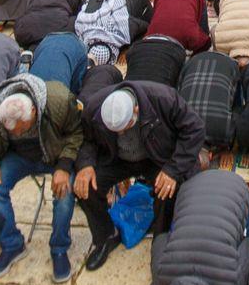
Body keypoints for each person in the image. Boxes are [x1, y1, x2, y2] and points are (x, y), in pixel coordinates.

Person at [0, 43, 87, 285]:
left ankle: (59, 248)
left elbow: (76, 133)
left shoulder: (58, 100)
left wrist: (64, 166)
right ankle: (11, 244)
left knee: (65, 193)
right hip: (20, 158)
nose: (17, 134)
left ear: (35, 112)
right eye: (12, 132)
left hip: (54, 154)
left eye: (23, 131)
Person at [76, 80, 206, 272]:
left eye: (126, 127)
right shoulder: (95, 107)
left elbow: (195, 129)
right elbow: (87, 139)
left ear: (136, 110)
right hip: (117, 159)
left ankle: (160, 240)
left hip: (156, 156)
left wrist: (172, 169)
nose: (122, 133)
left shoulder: (164, 98)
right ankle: (105, 236)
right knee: (87, 188)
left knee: (167, 190)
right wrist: (85, 165)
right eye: (116, 130)